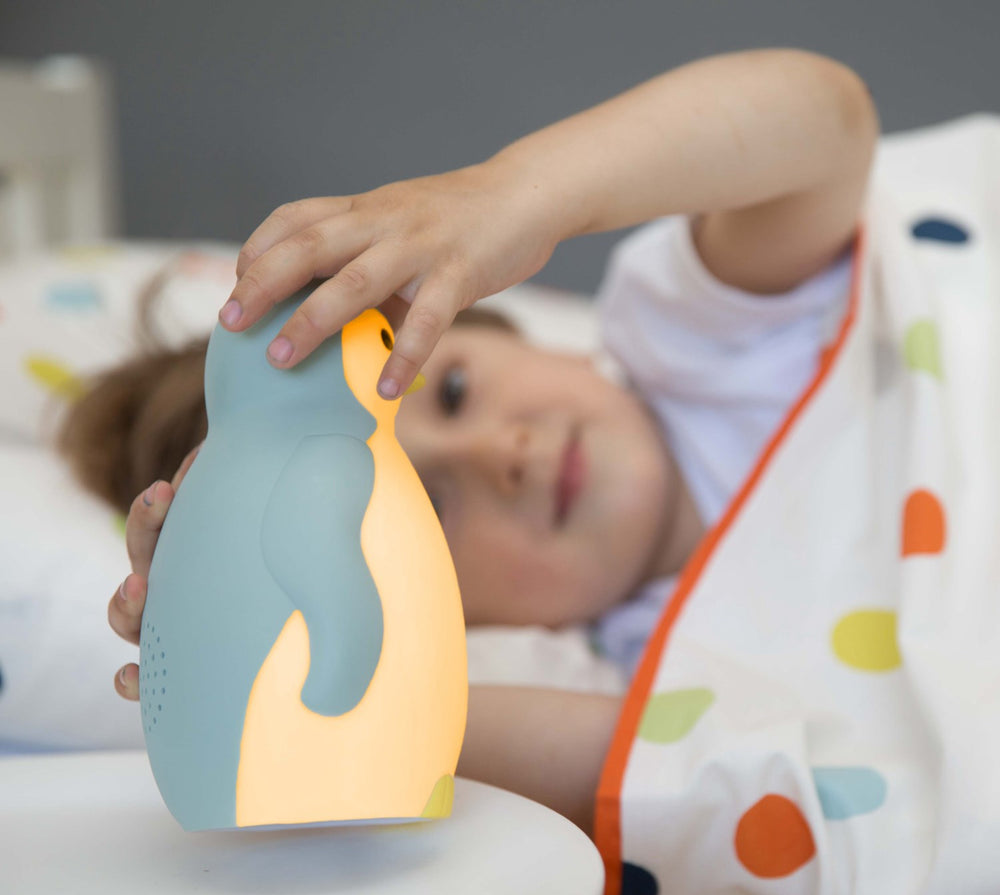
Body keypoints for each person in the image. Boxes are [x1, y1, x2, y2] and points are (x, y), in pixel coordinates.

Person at [89, 47, 878, 835]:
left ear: (506, 324)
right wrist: (227, 637)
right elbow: (668, 783)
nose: (498, 455)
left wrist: (514, 193)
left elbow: (826, 121)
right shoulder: (639, 678)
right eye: (428, 507)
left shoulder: (710, 333)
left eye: (455, 391)